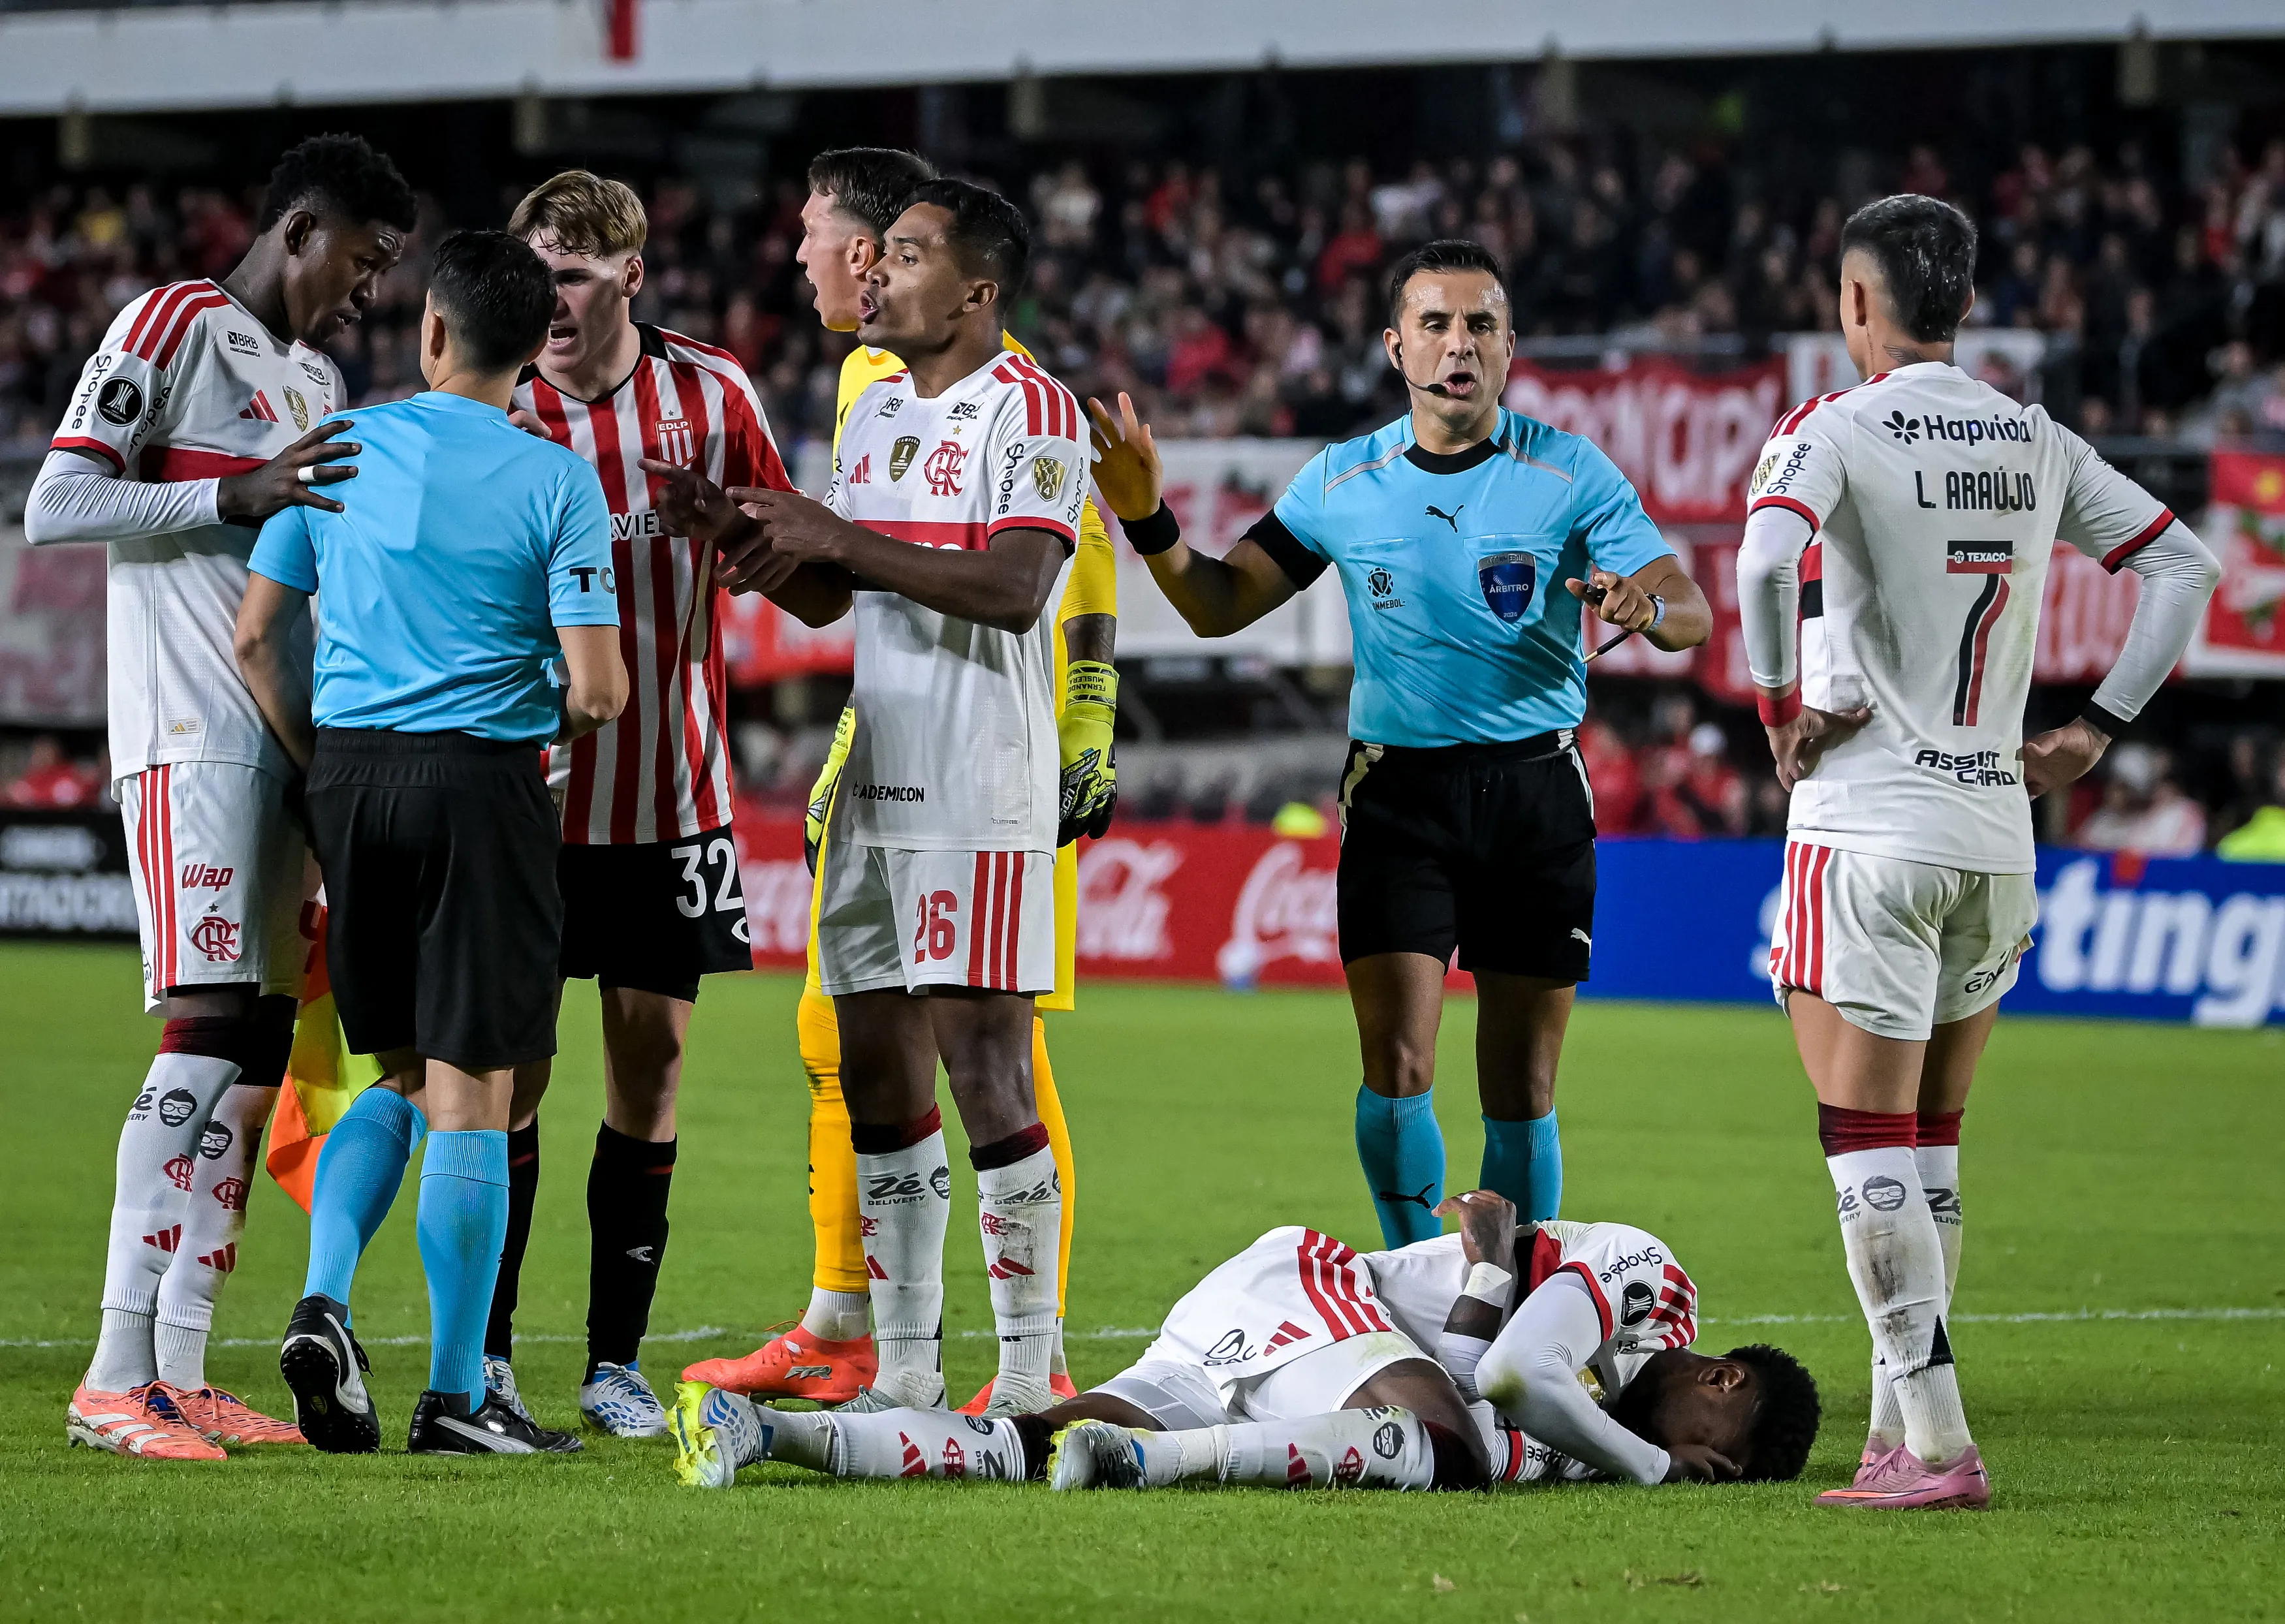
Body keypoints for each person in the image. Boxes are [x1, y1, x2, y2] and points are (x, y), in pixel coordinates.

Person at [1735, 194, 2220, 1510]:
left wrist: (1777, 708)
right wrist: (2092, 729)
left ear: (1854, 303)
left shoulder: (1831, 427)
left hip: (1868, 821)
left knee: (1861, 1131)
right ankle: (1899, 1432)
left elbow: (1765, 559)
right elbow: (2184, 570)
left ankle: (1939, 1442)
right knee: (1930, 1137)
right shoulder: (2033, 437)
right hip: (1995, 833)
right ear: (1960, 299)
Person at [1089, 239, 1710, 1249]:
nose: (1457, 344)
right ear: (1395, 347)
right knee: (1400, 1064)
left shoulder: (1569, 472)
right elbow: (1216, 604)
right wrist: (1148, 518)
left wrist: (1647, 608)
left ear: (1512, 347)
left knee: (1521, 1084)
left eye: (1479, 325)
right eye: (1435, 323)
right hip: (1399, 798)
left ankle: (1518, 1299)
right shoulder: (1344, 479)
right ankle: (1418, 1274)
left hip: (1534, 794)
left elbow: (1690, 612)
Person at [680, 148, 1118, 1413]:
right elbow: (835, 585)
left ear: (977, 292)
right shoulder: (872, 405)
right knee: (875, 1070)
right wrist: (753, 540)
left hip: (981, 776)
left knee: (986, 1067)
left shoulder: (1031, 410)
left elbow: (1014, 587)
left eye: (909, 255)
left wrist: (840, 536)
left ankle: (1031, 1375)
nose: (875, 275)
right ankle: (907, 1372)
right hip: (876, 766)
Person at [30, 134, 417, 1461]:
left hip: (287, 747)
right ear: (301, 229)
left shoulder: (313, 377)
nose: (368, 291)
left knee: (251, 1060)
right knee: (199, 1037)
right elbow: (57, 500)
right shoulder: (173, 321)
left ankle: (184, 1364)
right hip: (192, 734)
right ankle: (112, 1368)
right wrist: (226, 489)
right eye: (363, 261)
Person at [235, 228, 629, 1455]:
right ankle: (458, 1395)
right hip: (482, 785)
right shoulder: (559, 481)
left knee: (396, 1075)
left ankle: (325, 1302)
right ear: (527, 354)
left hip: (351, 778)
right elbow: (604, 693)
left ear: (436, 331)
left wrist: (324, 769)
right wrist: (528, 702)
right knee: (476, 1094)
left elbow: (257, 638)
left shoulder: (342, 444)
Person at [469, 170, 795, 1439]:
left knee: (648, 1068)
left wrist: (743, 535)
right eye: (534, 269)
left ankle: (613, 1361)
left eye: (573, 272)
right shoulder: (495, 403)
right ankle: (487, 1354)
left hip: (674, 795)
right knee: (509, 1082)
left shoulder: (713, 394)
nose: (550, 298)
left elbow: (791, 565)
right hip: (527, 798)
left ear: (629, 276)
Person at [667, 1189, 1820, 1493]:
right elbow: (1516, 1376)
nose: (1706, 1465)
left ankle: (759, 1432)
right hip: (1303, 1295)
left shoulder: (1589, 1430)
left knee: (1022, 1444)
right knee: (1452, 1452)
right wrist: (1658, 1467)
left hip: (1281, 1359)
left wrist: (1480, 1269)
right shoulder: (1650, 1285)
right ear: (1718, 1376)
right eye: (1726, 1448)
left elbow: (1484, 1378)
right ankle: (1147, 1468)